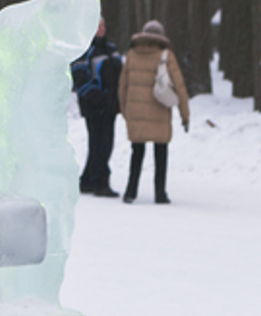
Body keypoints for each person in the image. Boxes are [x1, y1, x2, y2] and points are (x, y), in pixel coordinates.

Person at [118, 19, 190, 204]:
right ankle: (160, 193)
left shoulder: (132, 54)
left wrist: (126, 111)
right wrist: (185, 115)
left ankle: (130, 192)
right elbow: (179, 87)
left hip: (136, 111)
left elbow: (122, 86)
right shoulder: (165, 54)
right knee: (160, 152)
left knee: (137, 152)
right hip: (159, 111)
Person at [72, 18, 123, 197]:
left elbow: (121, 75)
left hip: (111, 106)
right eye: (97, 26)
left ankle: (87, 180)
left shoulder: (112, 49)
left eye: (103, 26)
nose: (101, 29)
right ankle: (100, 182)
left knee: (104, 143)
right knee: (100, 144)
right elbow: (80, 79)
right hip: (95, 107)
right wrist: (99, 98)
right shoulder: (84, 50)